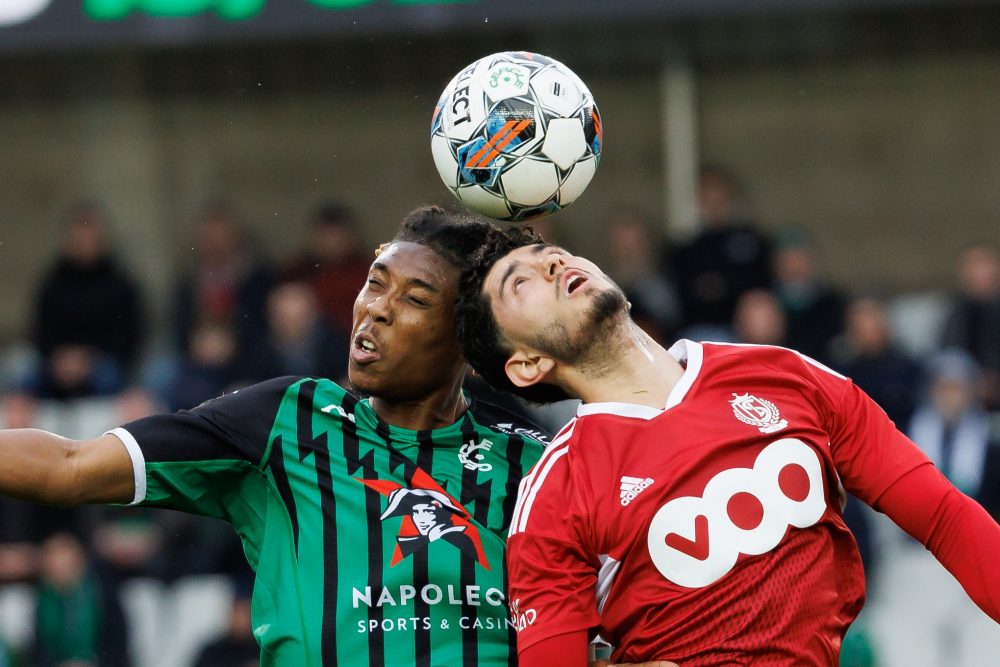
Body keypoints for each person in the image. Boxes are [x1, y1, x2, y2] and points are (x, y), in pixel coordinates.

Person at [0, 206, 549, 666]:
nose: (376, 309)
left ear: (466, 334)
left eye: (415, 299)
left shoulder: (530, 462)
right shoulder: (288, 420)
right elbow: (70, 465)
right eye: (375, 283)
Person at [453, 227, 1000, 666]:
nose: (549, 266)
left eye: (552, 253)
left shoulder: (784, 373)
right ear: (526, 364)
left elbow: (946, 518)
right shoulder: (555, 493)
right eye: (518, 283)